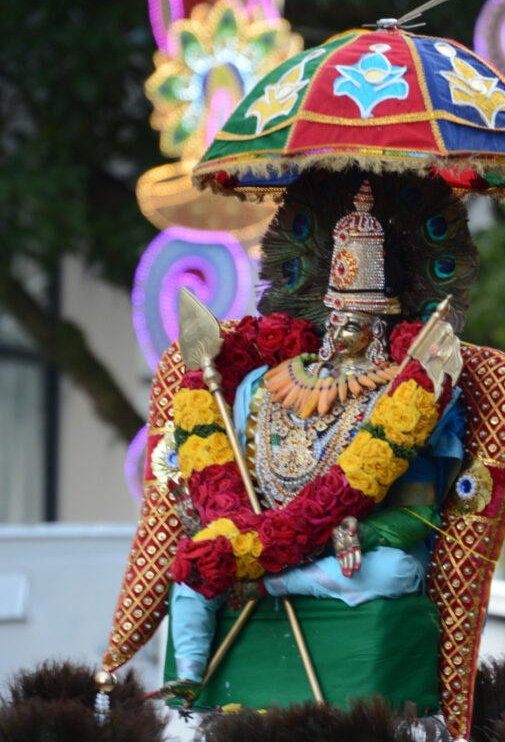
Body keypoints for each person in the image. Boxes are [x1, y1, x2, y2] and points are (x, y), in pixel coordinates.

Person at [167, 179, 466, 688]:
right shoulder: (263, 385)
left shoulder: (401, 397)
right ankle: (191, 674)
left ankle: (271, 585)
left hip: (343, 554)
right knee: (197, 558)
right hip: (256, 531)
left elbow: (418, 513)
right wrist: (208, 512)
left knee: (394, 572)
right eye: (336, 318)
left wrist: (358, 532)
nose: (341, 330)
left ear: (381, 323)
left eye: (356, 321)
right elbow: (235, 481)